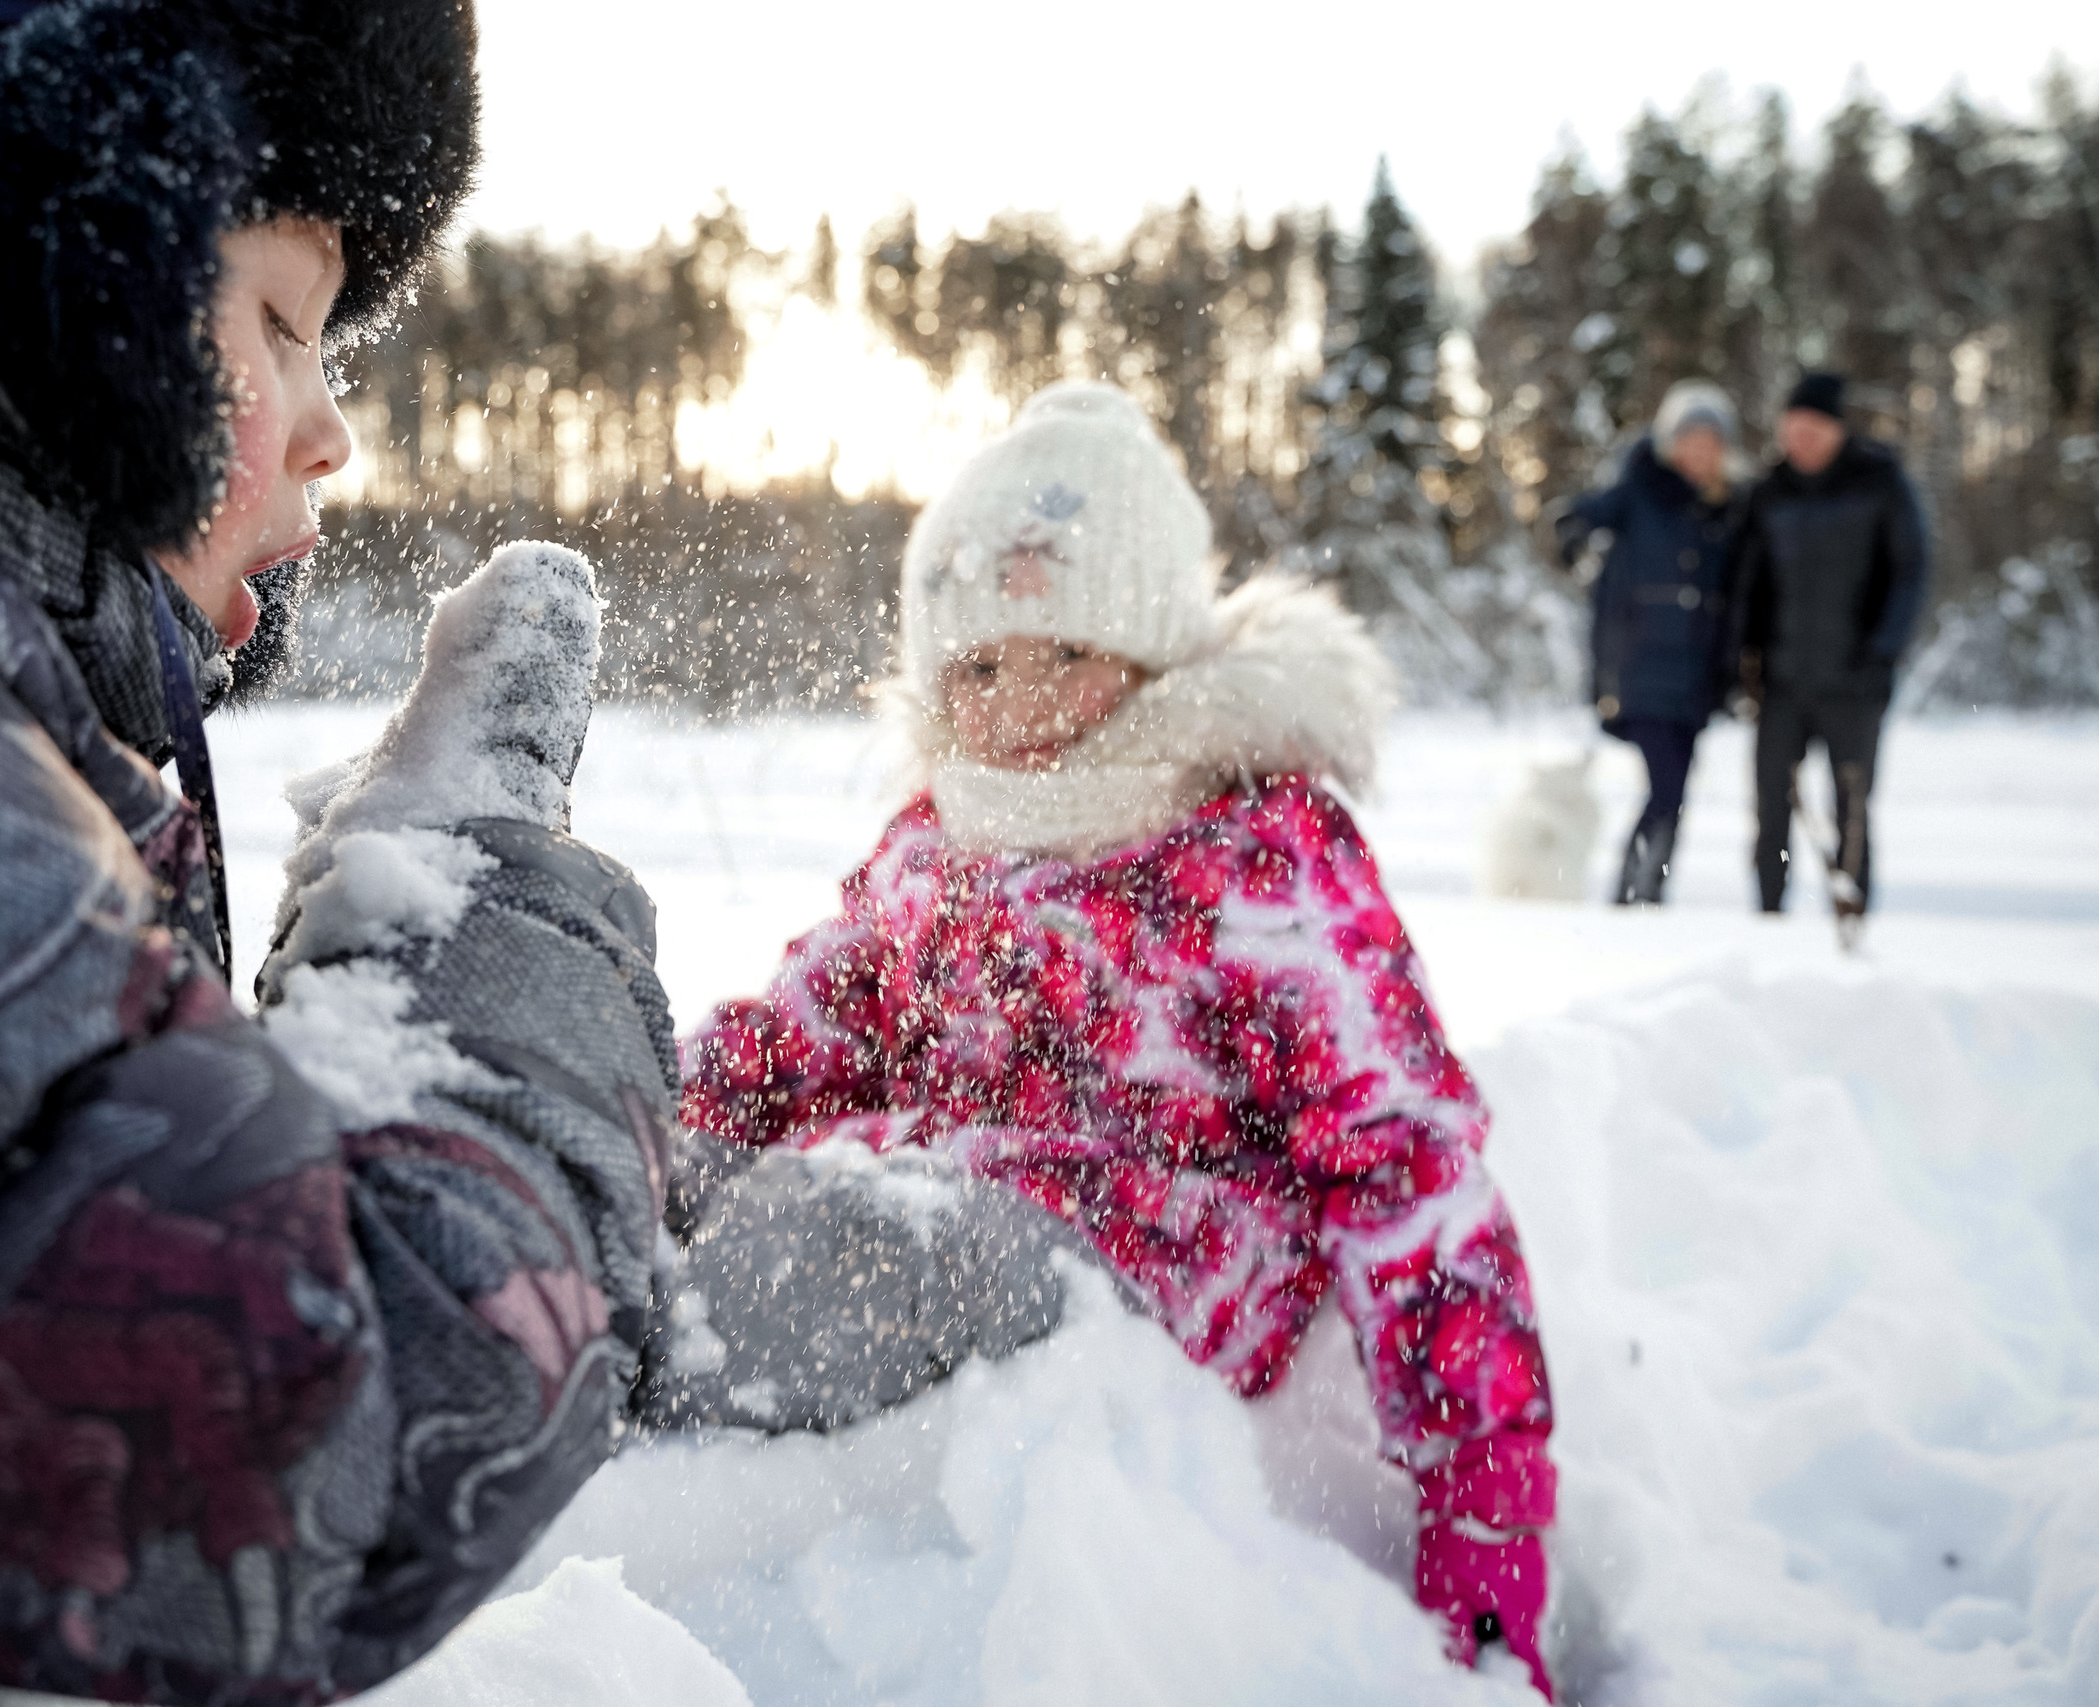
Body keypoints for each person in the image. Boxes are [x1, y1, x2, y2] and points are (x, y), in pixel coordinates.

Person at [0, 3, 946, 1700]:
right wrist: (467, 903)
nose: (332, 430)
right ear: (72, 234)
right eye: (281, 320)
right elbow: (306, 1452)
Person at [676, 383, 1562, 1697]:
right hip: (930, 1183)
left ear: (1155, 657)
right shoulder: (938, 841)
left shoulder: (1250, 852)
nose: (1019, 700)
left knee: (850, 1257)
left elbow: (1406, 1166)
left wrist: (1485, 1501)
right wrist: (662, 1115)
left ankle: (620, 1347)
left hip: (1150, 1246)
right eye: (977, 665)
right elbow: (802, 1033)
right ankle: (576, 1271)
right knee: (692, 1182)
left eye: (1067, 653)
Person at [1734, 371, 1930, 917]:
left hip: (1855, 681)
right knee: (1771, 807)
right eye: (1792, 427)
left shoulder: (1880, 482)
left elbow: (1910, 574)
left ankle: (1852, 920)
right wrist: (1740, 659)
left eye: (1814, 427)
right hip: (1780, 682)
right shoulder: (1768, 492)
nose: (1802, 438)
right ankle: (1769, 914)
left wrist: (1883, 652)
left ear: (1838, 429)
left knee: (1852, 809)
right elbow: (1747, 585)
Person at [1557, 380, 1745, 905]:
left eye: (1711, 441)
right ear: (1670, 442)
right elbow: (1578, 515)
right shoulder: (1640, 489)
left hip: (1696, 678)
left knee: (1674, 792)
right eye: (1690, 438)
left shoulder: (1728, 510)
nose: (1700, 452)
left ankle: (1646, 890)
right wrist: (1576, 541)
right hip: (1639, 668)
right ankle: (1634, 893)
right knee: (1666, 788)